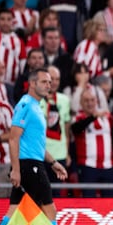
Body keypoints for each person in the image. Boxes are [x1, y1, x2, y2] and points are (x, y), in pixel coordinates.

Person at [0, 68, 87, 225]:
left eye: (50, 82)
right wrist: (15, 170)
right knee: (50, 211)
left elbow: (36, 144)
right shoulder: (25, 105)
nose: (49, 85)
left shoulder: (36, 106)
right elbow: (13, 139)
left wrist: (53, 162)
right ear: (32, 83)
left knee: (13, 213)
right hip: (29, 166)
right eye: (44, 82)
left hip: (32, 164)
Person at [71, 86, 113, 198]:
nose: (90, 103)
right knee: (89, 201)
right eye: (86, 101)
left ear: (97, 101)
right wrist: (92, 117)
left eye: (92, 100)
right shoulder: (78, 118)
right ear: (81, 103)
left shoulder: (107, 117)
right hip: (88, 166)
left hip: (108, 166)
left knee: (110, 201)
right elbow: (76, 129)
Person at [40, 66, 71, 197]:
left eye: (57, 79)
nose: (55, 82)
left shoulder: (64, 100)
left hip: (59, 154)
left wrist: (67, 152)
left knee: (56, 194)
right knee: (39, 193)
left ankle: (53, 218)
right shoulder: (36, 100)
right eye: (52, 79)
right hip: (40, 154)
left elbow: (66, 129)